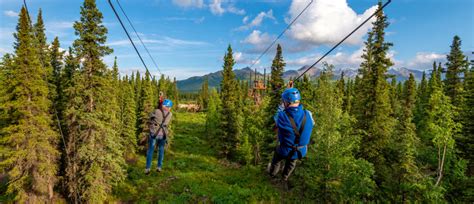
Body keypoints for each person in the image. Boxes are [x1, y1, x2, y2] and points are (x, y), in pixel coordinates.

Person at [267, 87, 314, 184]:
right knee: (291, 163)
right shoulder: (308, 114)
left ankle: (272, 173)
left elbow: (277, 115)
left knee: (276, 160)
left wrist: (282, 103)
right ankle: (284, 178)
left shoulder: (281, 116)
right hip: (300, 151)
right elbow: (312, 123)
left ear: (286, 103)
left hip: (284, 149)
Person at [145, 99, 173, 175]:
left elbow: (151, 116)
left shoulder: (156, 111)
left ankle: (148, 168)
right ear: (169, 107)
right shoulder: (170, 114)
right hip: (163, 134)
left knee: (151, 150)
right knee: (161, 150)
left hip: (154, 134)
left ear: (163, 105)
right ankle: (159, 167)